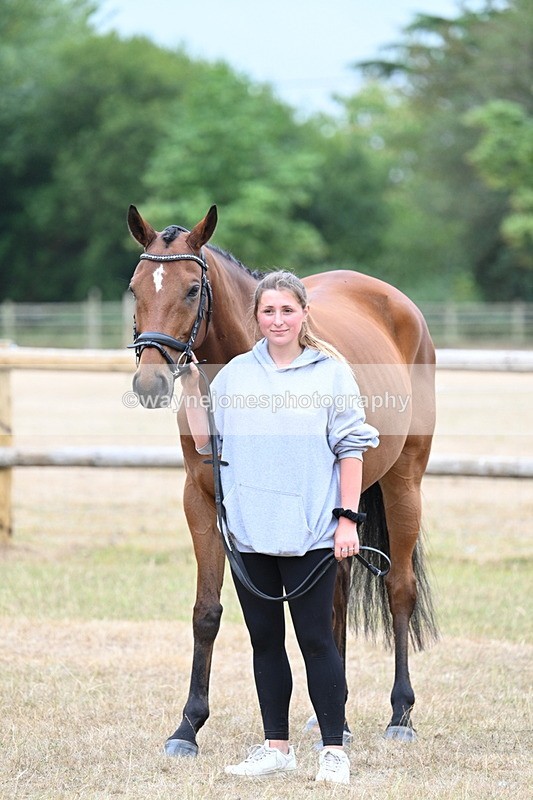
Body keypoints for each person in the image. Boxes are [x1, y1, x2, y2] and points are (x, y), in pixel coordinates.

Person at [180, 270, 379, 785]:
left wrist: (347, 520)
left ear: (304, 313)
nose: (277, 320)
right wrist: (187, 383)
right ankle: (277, 746)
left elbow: (350, 450)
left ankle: (333, 748)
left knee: (317, 642)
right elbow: (206, 444)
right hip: (249, 533)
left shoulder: (331, 373)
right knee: (265, 643)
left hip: (312, 531)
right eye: (268, 311)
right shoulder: (236, 375)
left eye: (287, 310)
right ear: (256, 317)